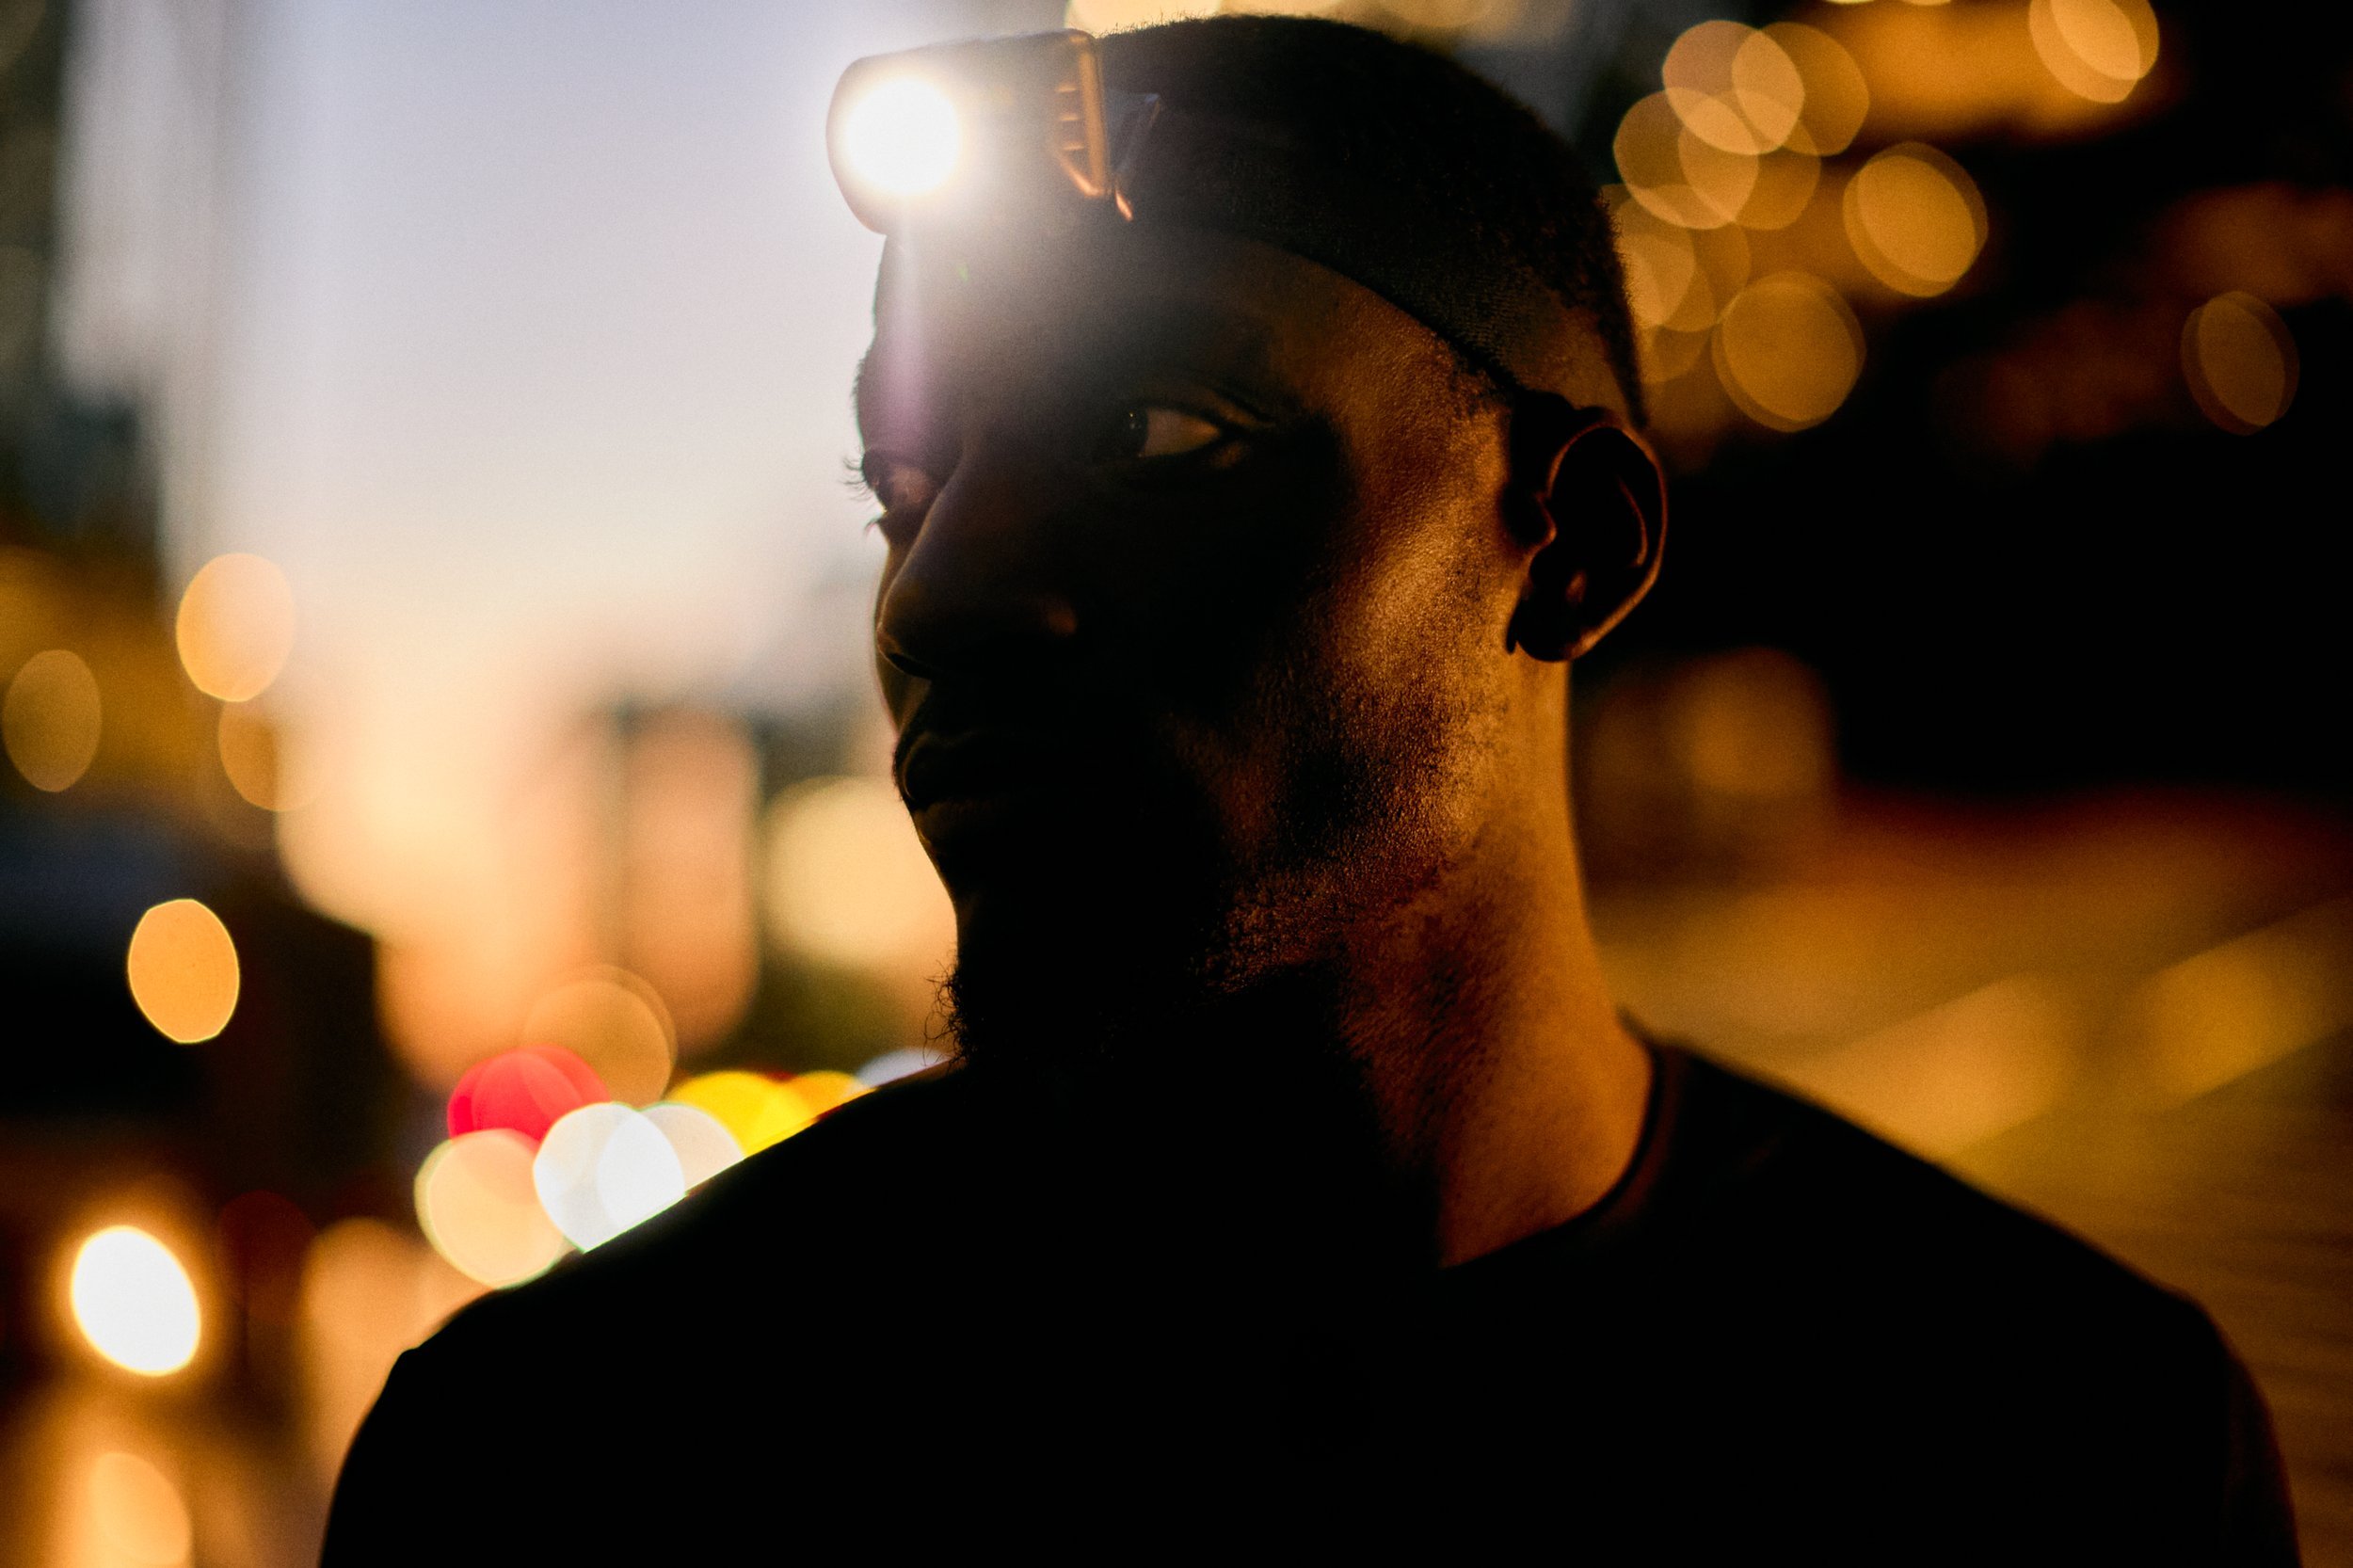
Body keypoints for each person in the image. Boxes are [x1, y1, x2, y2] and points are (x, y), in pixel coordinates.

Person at [325, 16, 2297, 1561]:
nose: (942, 590)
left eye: (1161, 430)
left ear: (1574, 542)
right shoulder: (569, 1466)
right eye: (899, 492)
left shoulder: (2065, 1450)